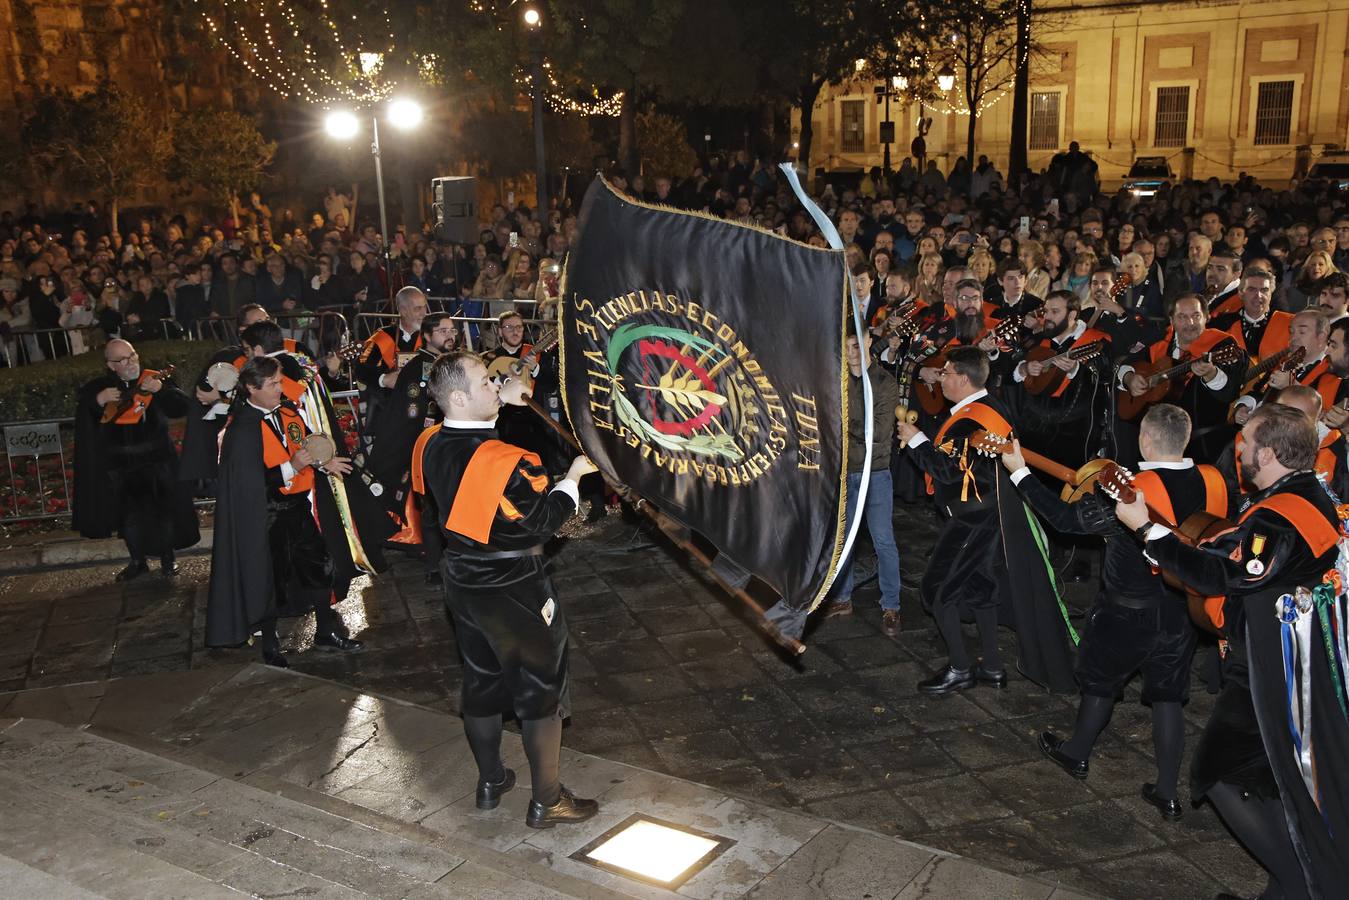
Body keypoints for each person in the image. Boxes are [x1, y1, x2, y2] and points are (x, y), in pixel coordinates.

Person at [1115, 403, 1349, 898]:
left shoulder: (1283, 517)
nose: (1237, 447)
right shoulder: (1307, 492)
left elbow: (1221, 574)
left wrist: (1145, 528)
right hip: (1290, 659)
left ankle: (1307, 883)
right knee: (1272, 781)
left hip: (1276, 672)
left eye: (1245, 441)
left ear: (1266, 453)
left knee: (1217, 772)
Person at [1003, 404, 1226, 819]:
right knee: (1167, 699)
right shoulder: (1213, 480)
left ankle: (1076, 753)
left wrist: (1019, 471)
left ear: (1144, 438)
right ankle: (1167, 792)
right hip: (1179, 613)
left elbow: (1066, 520)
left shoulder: (1130, 489)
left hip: (1126, 613)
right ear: (1185, 439)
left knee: (1100, 684)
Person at [415, 351, 601, 827]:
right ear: (457, 396)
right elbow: (537, 524)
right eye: (485, 383)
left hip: (462, 579)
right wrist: (574, 480)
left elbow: (474, 481)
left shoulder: (429, 442)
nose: (495, 387)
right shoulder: (508, 462)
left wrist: (514, 400)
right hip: (514, 584)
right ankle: (548, 800)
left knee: (481, 680)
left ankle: (491, 779)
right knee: (540, 690)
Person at [896, 347, 1076, 694]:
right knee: (980, 590)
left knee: (937, 591)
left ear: (963, 379)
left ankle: (960, 668)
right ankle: (992, 667)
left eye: (946, 372)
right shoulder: (993, 406)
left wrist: (916, 441)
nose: (941, 377)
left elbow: (948, 471)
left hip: (972, 520)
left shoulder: (969, 419)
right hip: (992, 515)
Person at [206, 356, 364, 667]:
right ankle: (271, 643)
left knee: (319, 566)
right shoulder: (242, 429)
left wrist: (324, 462)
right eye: (274, 384)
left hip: (295, 509)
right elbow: (249, 484)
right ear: (251, 388)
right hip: (263, 515)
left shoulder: (289, 414)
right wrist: (292, 467)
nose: (281, 388)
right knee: (269, 577)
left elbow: (306, 445)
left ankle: (325, 631)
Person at [73, 339, 200, 580]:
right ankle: (137, 561)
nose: (130, 363)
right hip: (119, 464)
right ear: (110, 365)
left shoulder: (154, 379)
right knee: (128, 517)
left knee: (164, 514)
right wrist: (98, 401)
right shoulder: (100, 387)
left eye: (132, 356)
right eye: (121, 360)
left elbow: (181, 407)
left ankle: (167, 560)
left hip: (157, 460)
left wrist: (160, 391)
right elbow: (84, 416)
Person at [821, 331, 904, 635]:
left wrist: (841, 427)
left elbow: (878, 433)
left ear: (869, 341)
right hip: (844, 472)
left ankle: (892, 605)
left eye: (856, 345)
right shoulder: (838, 379)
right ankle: (842, 598)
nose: (852, 352)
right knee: (843, 542)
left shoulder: (884, 382)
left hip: (875, 472)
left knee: (883, 541)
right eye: (845, 347)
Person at [366, 311, 458, 558]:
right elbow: (414, 414)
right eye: (443, 331)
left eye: (453, 331)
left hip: (437, 444)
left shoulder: (444, 362)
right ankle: (431, 560)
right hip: (422, 447)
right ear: (427, 335)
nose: (450, 336)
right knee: (427, 506)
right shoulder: (422, 367)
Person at [1116, 293, 1245, 464]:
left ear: (1206, 317)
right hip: (1154, 439)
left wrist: (1210, 373)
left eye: (1196, 316)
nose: (1190, 323)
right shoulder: (1159, 340)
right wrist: (1129, 378)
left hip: (1203, 444)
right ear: (1172, 320)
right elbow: (1124, 364)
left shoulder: (1223, 345)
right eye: (1182, 317)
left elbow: (1231, 391)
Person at [179, 303, 271, 493]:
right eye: (260, 322)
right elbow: (204, 395)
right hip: (228, 449)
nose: (267, 326)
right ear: (243, 330)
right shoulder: (227, 359)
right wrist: (221, 400)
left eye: (268, 320)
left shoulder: (280, 357)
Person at [354, 285, 427, 446]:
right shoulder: (382, 337)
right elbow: (360, 367)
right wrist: (383, 379)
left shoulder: (430, 336)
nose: (424, 313)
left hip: (424, 412)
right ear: (403, 310)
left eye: (424, 307)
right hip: (390, 412)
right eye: (418, 308)